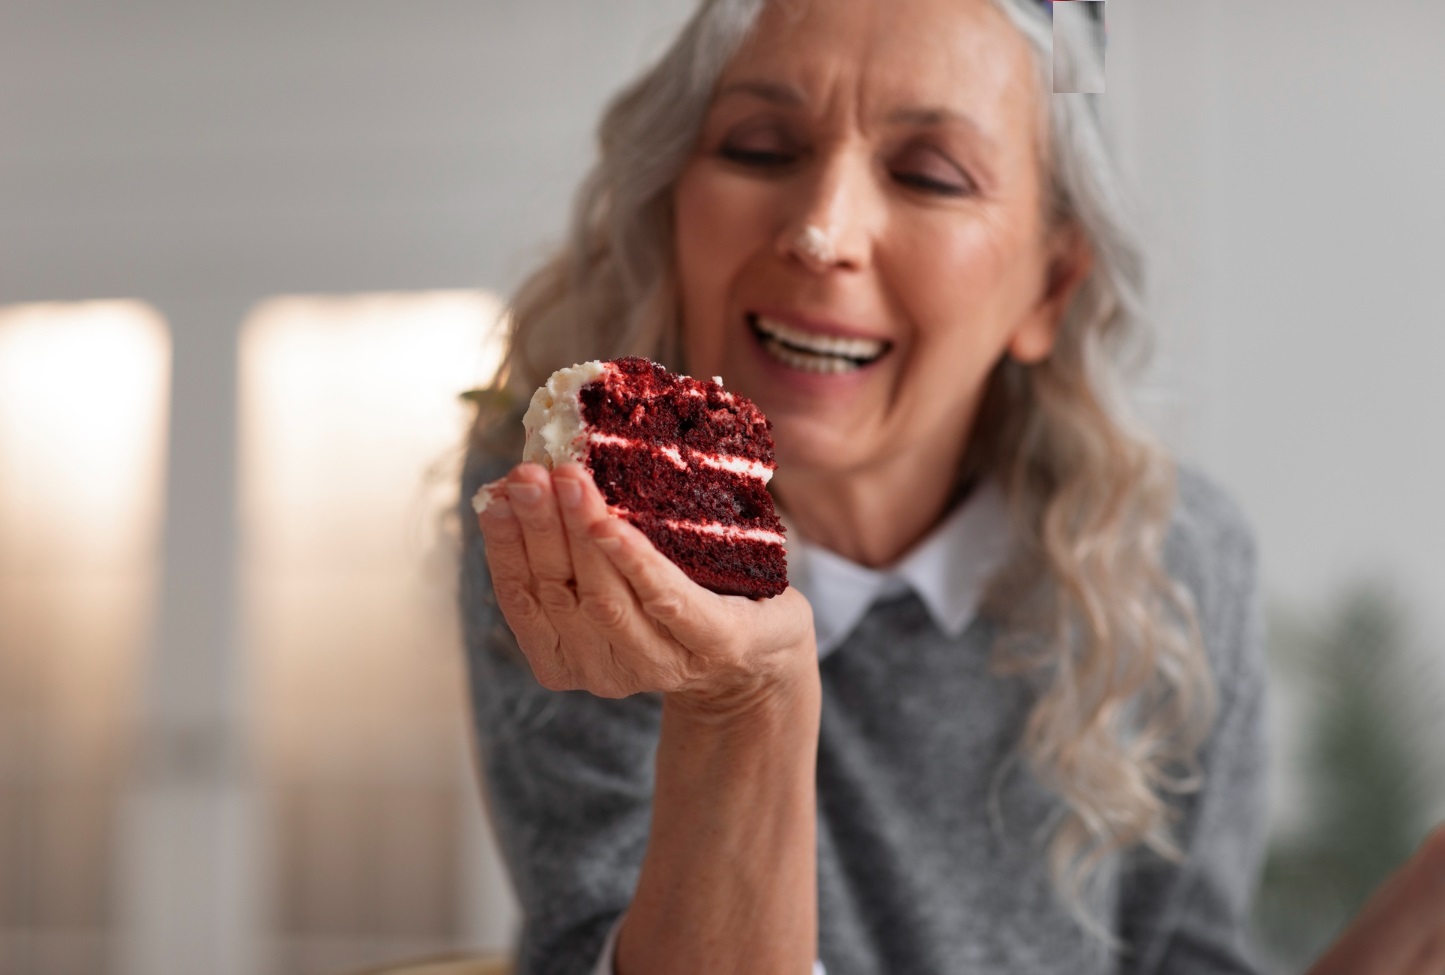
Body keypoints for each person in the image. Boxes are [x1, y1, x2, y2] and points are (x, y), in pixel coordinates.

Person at [457, 0, 1445, 972]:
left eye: (928, 175)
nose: (818, 232)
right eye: (760, 149)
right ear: (670, 206)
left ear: (1048, 289)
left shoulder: (1172, 554)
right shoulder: (576, 509)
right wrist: (746, 702)